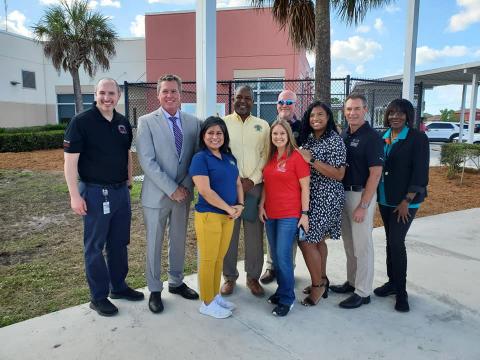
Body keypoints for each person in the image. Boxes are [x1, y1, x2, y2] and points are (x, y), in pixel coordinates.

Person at [64, 78, 144, 317]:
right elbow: (70, 162)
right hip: (95, 192)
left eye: (111, 93)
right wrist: (74, 196)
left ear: (118, 95)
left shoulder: (122, 123)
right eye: (102, 93)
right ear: (95, 95)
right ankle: (98, 297)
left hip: (120, 192)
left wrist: (129, 180)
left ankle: (118, 286)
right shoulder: (81, 122)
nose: (106, 97)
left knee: (119, 243)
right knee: (95, 247)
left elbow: (127, 153)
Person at [136, 74, 201, 314]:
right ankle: (154, 289)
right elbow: (147, 161)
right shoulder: (146, 122)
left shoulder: (194, 122)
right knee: (154, 242)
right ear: (158, 94)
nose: (169, 95)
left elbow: (195, 158)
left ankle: (176, 282)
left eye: (174, 91)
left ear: (181, 93)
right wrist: (171, 188)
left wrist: (182, 187)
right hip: (156, 196)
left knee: (178, 240)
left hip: (183, 194)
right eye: (165, 91)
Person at [375, 99, 429, 312]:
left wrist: (407, 200)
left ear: (408, 116)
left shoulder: (417, 138)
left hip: (405, 201)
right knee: (390, 241)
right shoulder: (384, 137)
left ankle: (402, 292)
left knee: (397, 242)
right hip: (385, 199)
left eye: (400, 113)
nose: (395, 117)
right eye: (391, 113)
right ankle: (392, 283)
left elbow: (420, 171)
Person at [330, 93, 383, 309]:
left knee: (363, 246)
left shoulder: (372, 137)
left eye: (357, 109)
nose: (352, 113)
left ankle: (363, 292)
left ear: (365, 110)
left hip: (361, 196)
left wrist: (363, 205)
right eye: (349, 109)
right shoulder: (345, 134)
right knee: (350, 243)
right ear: (344, 111)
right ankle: (352, 283)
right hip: (344, 193)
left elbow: (375, 174)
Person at [189, 116, 244, 319]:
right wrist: (229, 209)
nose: (215, 137)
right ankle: (206, 302)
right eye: (210, 133)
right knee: (208, 259)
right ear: (203, 136)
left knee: (219, 258)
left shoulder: (229, 157)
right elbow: (205, 191)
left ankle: (214, 295)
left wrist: (240, 205)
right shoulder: (200, 158)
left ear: (224, 136)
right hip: (209, 216)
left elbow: (238, 183)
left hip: (228, 216)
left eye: (219, 133)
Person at [221, 85, 270, 297]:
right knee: (229, 236)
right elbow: (218, 151)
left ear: (252, 101)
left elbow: (266, 156)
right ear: (233, 99)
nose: (242, 101)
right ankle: (229, 278)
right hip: (229, 189)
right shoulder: (222, 123)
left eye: (247, 98)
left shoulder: (262, 125)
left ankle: (253, 277)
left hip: (253, 187)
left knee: (254, 236)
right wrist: (233, 179)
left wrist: (252, 180)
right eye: (239, 97)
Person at [297, 101, 347, 306]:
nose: (315, 119)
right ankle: (322, 279)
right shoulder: (309, 139)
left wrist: (311, 161)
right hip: (311, 195)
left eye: (320, 115)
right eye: (312, 116)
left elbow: (339, 174)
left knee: (306, 240)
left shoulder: (335, 140)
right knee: (317, 241)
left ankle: (317, 286)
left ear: (328, 118)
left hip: (327, 197)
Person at [258, 119, 310, 316]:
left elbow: (305, 187)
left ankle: (288, 299)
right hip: (271, 214)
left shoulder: (297, 158)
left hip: (289, 215)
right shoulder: (270, 158)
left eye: (282, 133)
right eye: (275, 134)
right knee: (275, 258)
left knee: (283, 256)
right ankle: (281, 291)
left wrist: (304, 214)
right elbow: (267, 184)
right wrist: (262, 205)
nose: (278, 137)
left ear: (288, 135)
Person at [260, 89, 301, 285]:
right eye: (281, 102)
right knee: (272, 234)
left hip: (293, 191)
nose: (285, 105)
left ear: (295, 105)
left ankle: (287, 270)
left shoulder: (303, 128)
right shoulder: (269, 127)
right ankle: (271, 266)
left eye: (289, 102)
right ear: (277, 105)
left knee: (287, 239)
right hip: (272, 188)